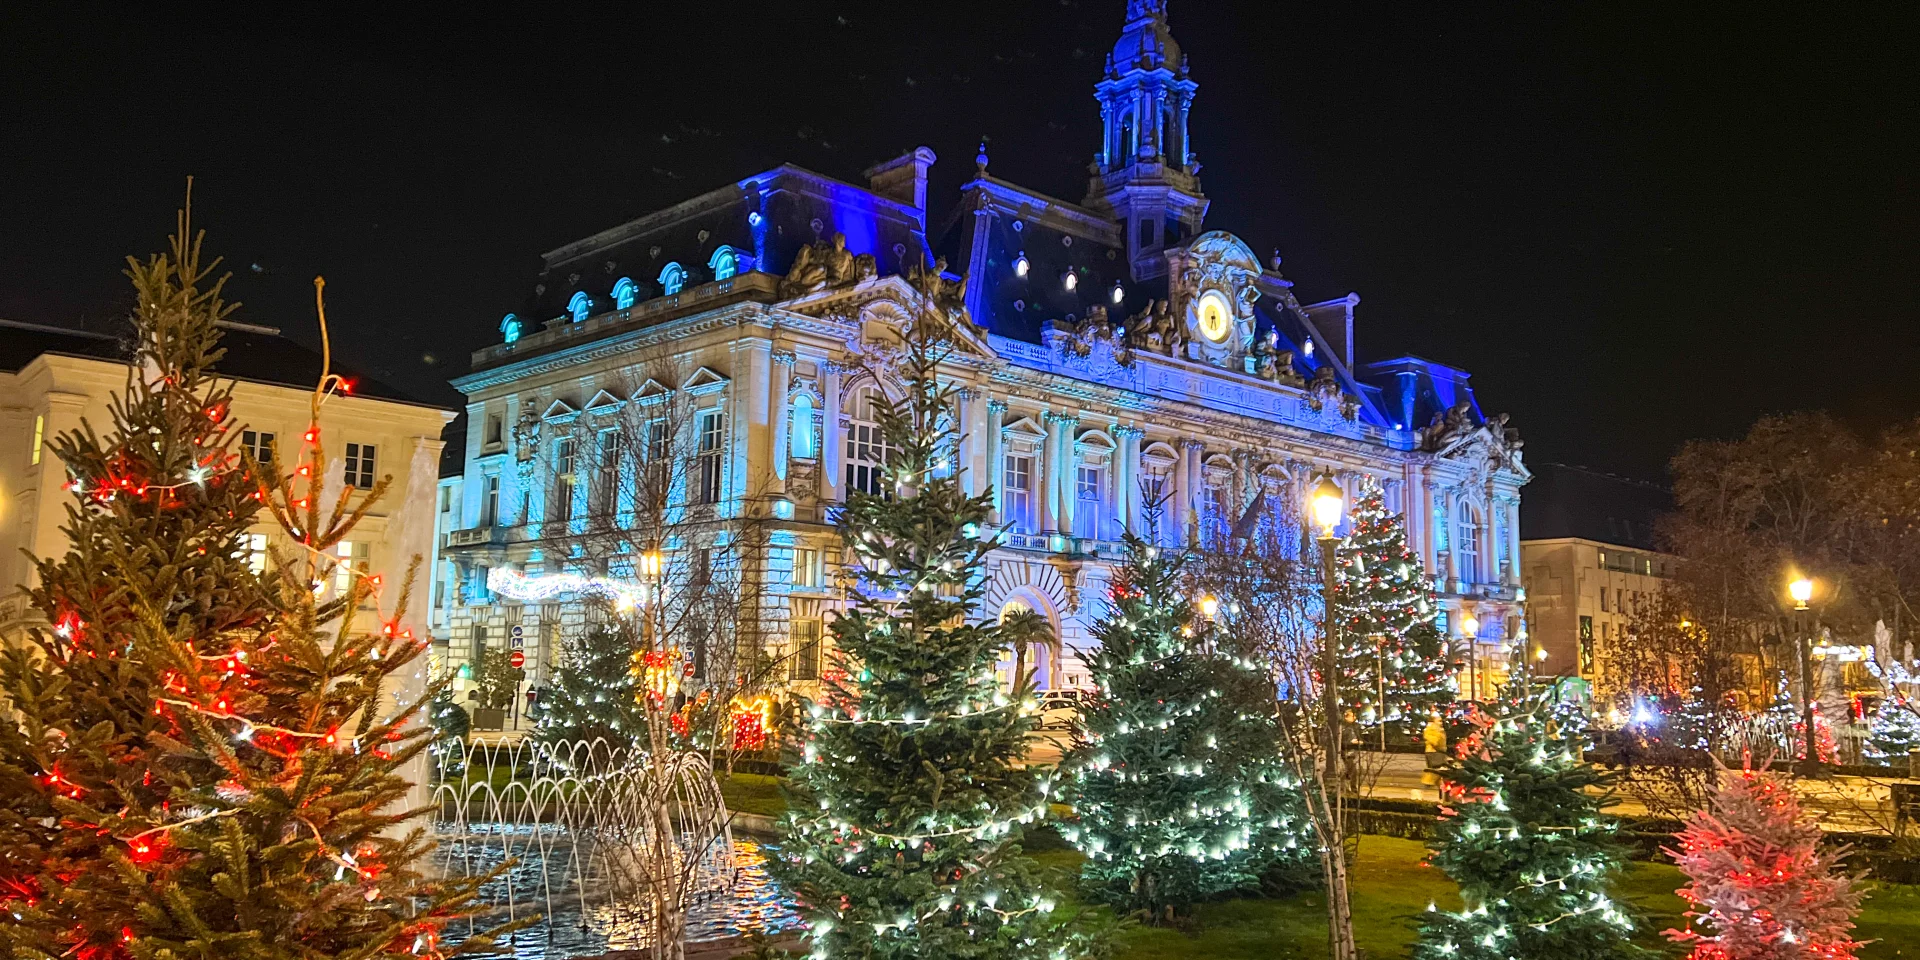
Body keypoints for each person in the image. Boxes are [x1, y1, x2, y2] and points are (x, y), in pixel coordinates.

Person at [1421, 711, 1449, 787]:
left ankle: (1436, 784)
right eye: (1439, 721)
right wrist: (1437, 742)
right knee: (1438, 769)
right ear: (1433, 721)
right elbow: (1434, 741)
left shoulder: (1437, 729)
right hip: (1434, 752)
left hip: (1438, 751)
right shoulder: (1432, 729)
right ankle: (1428, 783)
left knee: (1438, 769)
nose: (1441, 722)